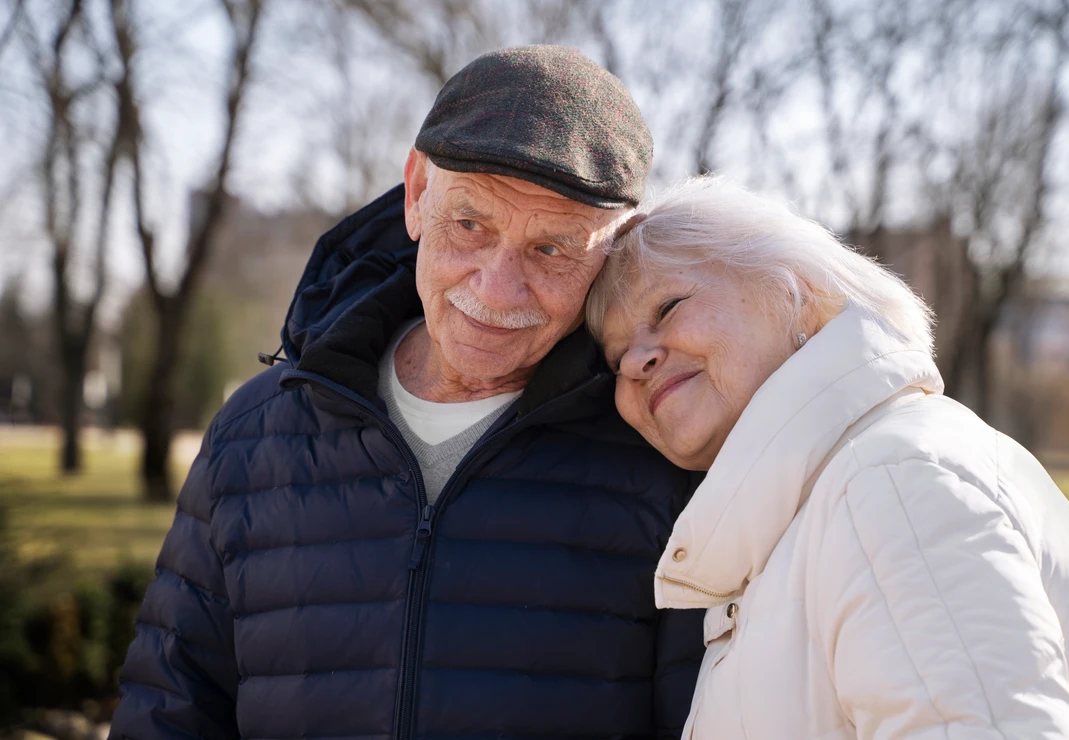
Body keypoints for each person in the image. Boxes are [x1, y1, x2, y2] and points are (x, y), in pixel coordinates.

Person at [109, 46, 704, 740]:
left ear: (616, 248)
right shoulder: (254, 433)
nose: (496, 289)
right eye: (470, 224)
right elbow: (169, 712)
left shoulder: (665, 458)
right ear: (418, 191)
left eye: (551, 250)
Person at [588, 176, 1069, 739]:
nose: (638, 361)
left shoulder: (890, 482)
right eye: (616, 359)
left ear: (798, 292)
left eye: (667, 309)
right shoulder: (808, 510)